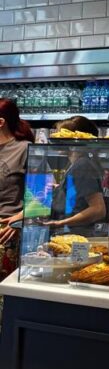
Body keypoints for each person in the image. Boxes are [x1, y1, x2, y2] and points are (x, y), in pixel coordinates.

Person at [46, 117, 107, 232]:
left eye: (61, 135)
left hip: (76, 234)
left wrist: (61, 223)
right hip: (72, 232)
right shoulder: (76, 163)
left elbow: (98, 209)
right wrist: (60, 189)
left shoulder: (82, 165)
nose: (56, 139)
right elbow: (78, 195)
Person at [0, 98, 35, 279]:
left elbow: (43, 194)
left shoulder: (25, 149)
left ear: (1, 122)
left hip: (6, 233)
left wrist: (20, 218)